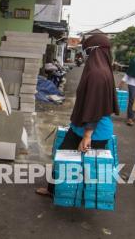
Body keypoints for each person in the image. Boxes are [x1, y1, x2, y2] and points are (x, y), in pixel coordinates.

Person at [36, 34, 119, 196]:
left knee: (83, 165)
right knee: (63, 158)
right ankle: (53, 190)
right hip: (82, 127)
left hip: (93, 131)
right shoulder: (102, 70)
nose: (85, 55)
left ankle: (77, 196)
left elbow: (95, 106)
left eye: (87, 51)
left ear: (95, 51)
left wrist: (87, 135)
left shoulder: (97, 74)